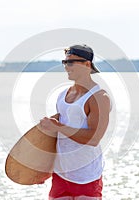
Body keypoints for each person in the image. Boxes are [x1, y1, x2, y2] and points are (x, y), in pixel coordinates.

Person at [39, 44, 111, 200]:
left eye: (71, 62)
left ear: (87, 64)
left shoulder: (99, 97)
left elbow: (94, 138)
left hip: (86, 176)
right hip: (60, 175)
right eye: (65, 62)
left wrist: (58, 126)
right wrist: (42, 168)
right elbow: (56, 136)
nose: (67, 67)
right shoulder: (62, 95)